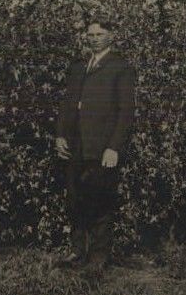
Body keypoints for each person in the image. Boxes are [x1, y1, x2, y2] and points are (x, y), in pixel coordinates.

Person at [55, 19, 136, 267]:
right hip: (75, 145)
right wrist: (60, 135)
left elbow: (126, 111)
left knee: (100, 200)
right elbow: (67, 106)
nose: (94, 38)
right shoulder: (79, 67)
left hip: (102, 148)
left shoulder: (120, 67)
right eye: (90, 34)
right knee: (74, 199)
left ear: (111, 36)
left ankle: (98, 258)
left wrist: (114, 147)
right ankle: (77, 251)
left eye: (100, 33)